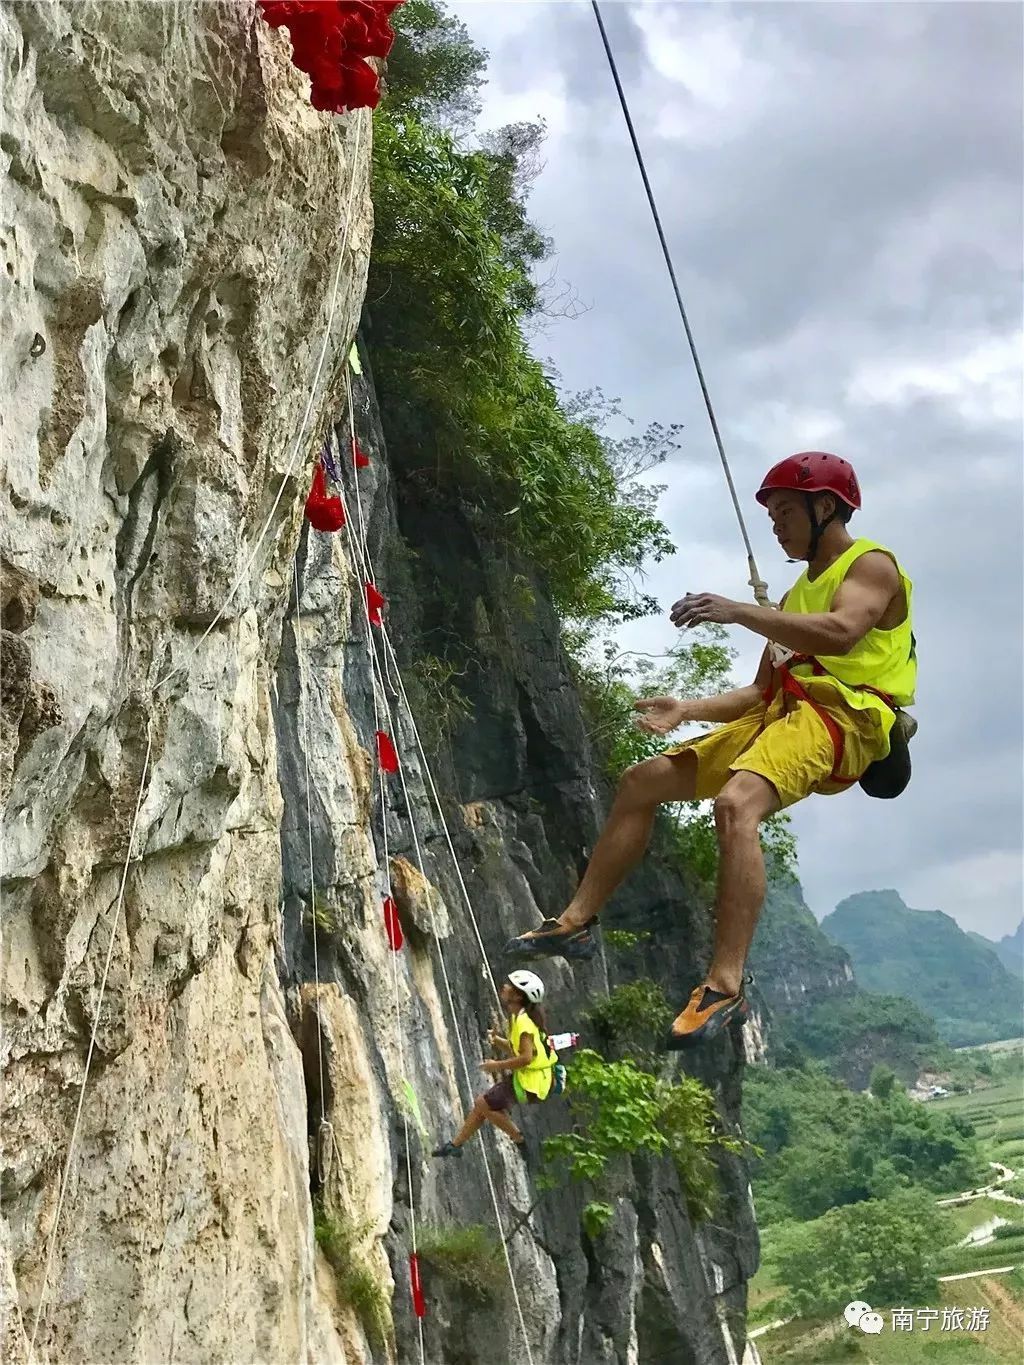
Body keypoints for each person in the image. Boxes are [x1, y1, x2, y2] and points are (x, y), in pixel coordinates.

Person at [505, 452, 917, 1049]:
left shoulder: (870, 565)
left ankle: (725, 985)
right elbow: (758, 691)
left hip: (845, 716)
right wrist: (687, 709)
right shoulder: (796, 597)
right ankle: (575, 923)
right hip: (782, 714)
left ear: (824, 507)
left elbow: (845, 631)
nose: (775, 524)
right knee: (642, 781)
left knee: (735, 805)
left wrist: (739, 611)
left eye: (783, 512)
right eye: (772, 515)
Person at [433, 970, 556, 1158]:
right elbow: (519, 1051)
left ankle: (518, 1138)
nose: (504, 987)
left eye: (509, 986)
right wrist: (498, 1040)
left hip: (530, 1083)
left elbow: (526, 1058)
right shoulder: (519, 1017)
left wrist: (496, 1065)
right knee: (482, 1107)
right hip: (531, 1078)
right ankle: (455, 1145)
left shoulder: (524, 1023)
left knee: (483, 1103)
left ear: (517, 996)